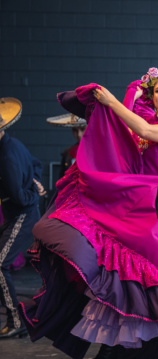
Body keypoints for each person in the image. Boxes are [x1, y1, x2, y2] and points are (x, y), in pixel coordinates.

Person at [20, 69, 158, 359]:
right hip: (144, 213)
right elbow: (129, 135)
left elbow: (144, 131)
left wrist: (113, 102)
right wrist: (130, 96)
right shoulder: (152, 123)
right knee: (132, 278)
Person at [0, 97, 46, 339]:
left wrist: (31, 192)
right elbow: (36, 163)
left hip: (23, 214)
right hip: (16, 213)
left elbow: (19, 197)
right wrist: (35, 182)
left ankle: (15, 320)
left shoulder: (7, 155)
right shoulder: (12, 145)